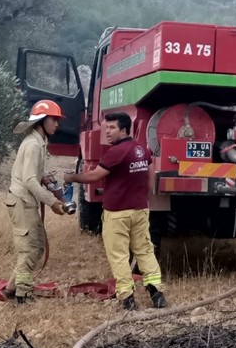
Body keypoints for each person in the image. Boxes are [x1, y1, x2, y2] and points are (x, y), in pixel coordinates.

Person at [65, 112, 167, 310]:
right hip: (139, 210)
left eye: (111, 128)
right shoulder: (140, 149)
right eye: (106, 128)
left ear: (124, 129)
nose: (107, 132)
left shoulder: (116, 152)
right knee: (145, 252)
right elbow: (150, 174)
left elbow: (94, 176)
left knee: (119, 255)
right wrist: (147, 199)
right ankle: (157, 295)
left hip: (118, 213)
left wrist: (71, 177)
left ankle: (127, 298)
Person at [4, 99, 68, 304]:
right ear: (41, 121)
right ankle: (23, 295)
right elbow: (29, 180)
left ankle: (11, 289)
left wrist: (45, 178)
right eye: (53, 120)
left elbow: (32, 175)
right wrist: (52, 201)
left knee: (37, 247)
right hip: (22, 201)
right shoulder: (33, 145)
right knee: (30, 249)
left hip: (25, 201)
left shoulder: (38, 142)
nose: (57, 124)